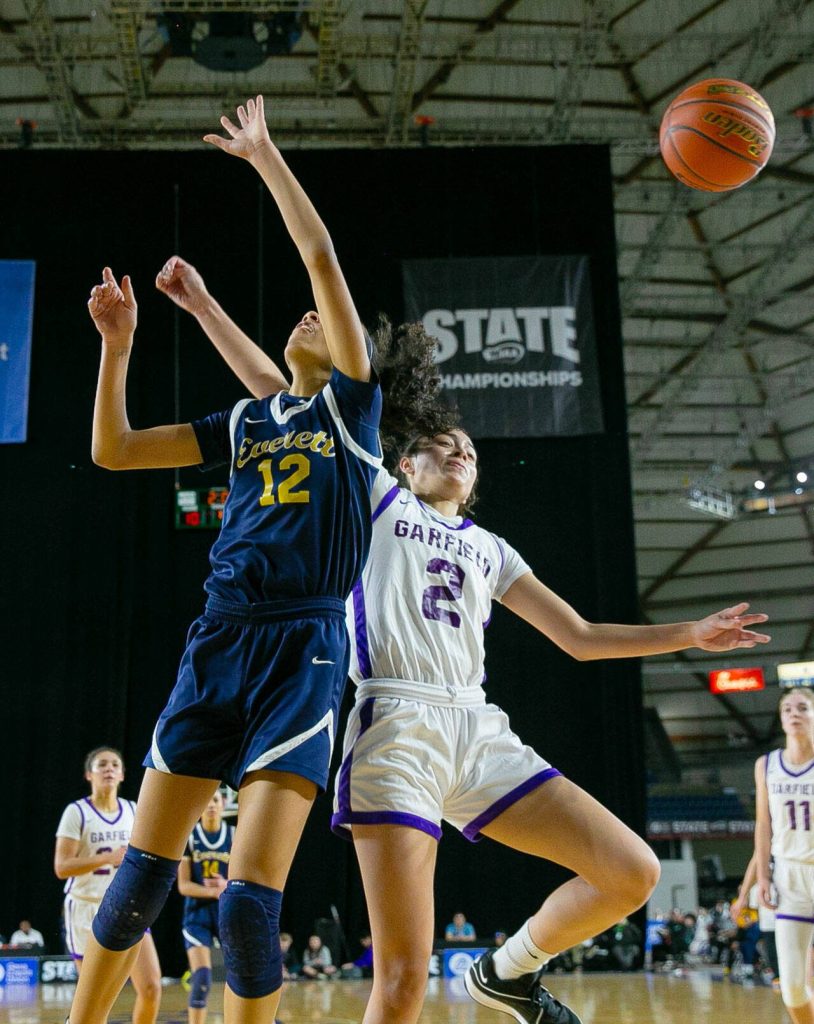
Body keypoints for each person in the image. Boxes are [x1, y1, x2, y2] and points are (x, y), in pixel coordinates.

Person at [195, 287, 772, 1024]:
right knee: (402, 981)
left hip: (478, 726)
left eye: (468, 448)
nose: (460, 449)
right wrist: (210, 309)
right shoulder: (373, 496)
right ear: (405, 464)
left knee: (632, 871)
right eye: (443, 444)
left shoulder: (489, 547)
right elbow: (286, 399)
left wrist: (689, 634)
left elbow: (581, 637)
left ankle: (506, 973)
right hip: (396, 725)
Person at [66, 94, 381, 1024]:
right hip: (219, 640)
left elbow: (320, 261)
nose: (308, 317)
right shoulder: (254, 419)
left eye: (321, 322)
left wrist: (266, 158)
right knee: (136, 886)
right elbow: (115, 450)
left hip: (304, 651)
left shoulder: (351, 413)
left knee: (247, 907)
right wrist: (118, 347)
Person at [55, 747, 161, 1024]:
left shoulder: (133, 810)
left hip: (128, 908)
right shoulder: (76, 812)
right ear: (89, 774)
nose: (109, 769)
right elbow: (62, 866)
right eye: (101, 765)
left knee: (151, 989)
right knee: (94, 1001)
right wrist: (108, 858)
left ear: (123, 774)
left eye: (115, 764)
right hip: (86, 908)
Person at [755, 686, 814, 1023]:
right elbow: (764, 825)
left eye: (803, 708)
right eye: (788, 709)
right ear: (781, 718)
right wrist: (763, 875)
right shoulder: (766, 765)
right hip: (789, 877)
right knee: (791, 986)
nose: (795, 713)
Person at [177, 790, 234, 1024]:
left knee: (241, 977)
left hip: (226, 913)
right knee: (202, 977)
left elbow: (244, 878)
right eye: (206, 800)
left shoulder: (235, 835)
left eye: (215, 800)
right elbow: (183, 885)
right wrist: (213, 891)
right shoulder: (190, 837)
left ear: (224, 804)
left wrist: (226, 885)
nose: (211, 805)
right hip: (197, 914)